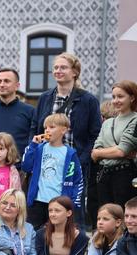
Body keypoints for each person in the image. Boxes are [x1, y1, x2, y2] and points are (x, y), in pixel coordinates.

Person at [30, 52, 102, 230]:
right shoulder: (45, 98)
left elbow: (95, 134)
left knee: (72, 210)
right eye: (55, 67)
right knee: (42, 209)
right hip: (47, 161)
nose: (58, 71)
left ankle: (73, 247)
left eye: (63, 67)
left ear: (75, 72)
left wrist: (82, 158)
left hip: (72, 163)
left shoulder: (88, 100)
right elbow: (35, 127)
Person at [22, 113, 83, 230]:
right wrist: (33, 145)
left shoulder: (70, 154)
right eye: (46, 127)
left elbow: (77, 180)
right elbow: (26, 166)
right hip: (37, 202)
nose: (47, 130)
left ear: (63, 130)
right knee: (32, 235)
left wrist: (73, 203)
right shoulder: (38, 148)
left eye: (52, 127)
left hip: (58, 204)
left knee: (55, 236)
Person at [90, 80, 137, 208]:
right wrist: (115, 151)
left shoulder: (135, 120)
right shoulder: (107, 123)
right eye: (114, 97)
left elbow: (122, 150)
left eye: (120, 96)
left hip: (125, 176)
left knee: (123, 216)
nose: (116, 101)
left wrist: (103, 152)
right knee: (106, 217)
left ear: (132, 98)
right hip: (104, 176)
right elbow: (94, 153)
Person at [0, 69, 35, 161]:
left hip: (20, 169)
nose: (2, 85)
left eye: (6, 81)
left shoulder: (30, 111)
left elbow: (34, 140)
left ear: (17, 86)